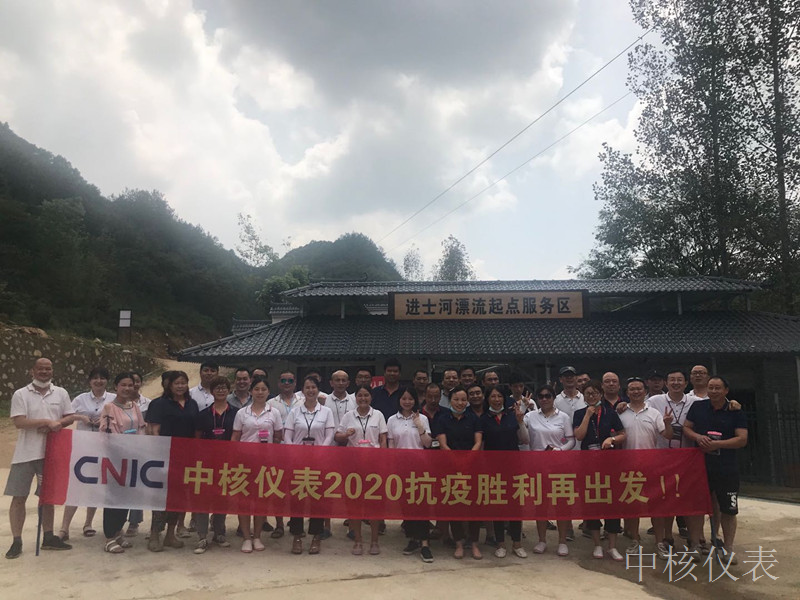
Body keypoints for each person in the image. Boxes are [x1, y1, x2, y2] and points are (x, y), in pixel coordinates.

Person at [5, 358, 78, 559]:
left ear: (52, 371)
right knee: (19, 497)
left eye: (48, 369)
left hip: (51, 454)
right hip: (25, 454)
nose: (44, 372)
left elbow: (70, 416)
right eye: (40, 369)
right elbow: (19, 422)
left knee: (47, 498)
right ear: (32, 371)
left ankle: (48, 536)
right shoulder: (21, 394)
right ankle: (17, 540)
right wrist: (46, 422)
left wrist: (58, 424)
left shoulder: (61, 393)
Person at [684, 376, 748, 564]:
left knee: (729, 509)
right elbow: (687, 428)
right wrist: (698, 437)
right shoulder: (698, 407)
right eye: (710, 387)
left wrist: (718, 444)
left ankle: (728, 548)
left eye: (717, 388)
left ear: (726, 390)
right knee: (696, 507)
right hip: (700, 466)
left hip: (726, 468)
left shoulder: (735, 411)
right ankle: (695, 545)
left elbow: (742, 439)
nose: (713, 391)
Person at [59, 366, 116, 541]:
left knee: (94, 486)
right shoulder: (80, 399)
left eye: (102, 378)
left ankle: (88, 523)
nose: (99, 381)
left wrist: (105, 419)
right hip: (82, 448)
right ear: (90, 381)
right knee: (76, 486)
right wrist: (81, 417)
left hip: (104, 448)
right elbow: (66, 416)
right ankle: (64, 528)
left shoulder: (113, 399)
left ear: (107, 381)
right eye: (95, 378)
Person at [145, 370, 200, 551]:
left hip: (186, 458)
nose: (180, 386)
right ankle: (155, 535)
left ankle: (170, 534)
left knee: (178, 497)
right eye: (177, 383)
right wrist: (159, 454)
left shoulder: (192, 404)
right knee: (160, 497)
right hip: (165, 457)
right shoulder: (159, 404)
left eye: (183, 382)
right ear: (169, 385)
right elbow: (154, 431)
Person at [573, 379, 627, 561]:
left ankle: (612, 546)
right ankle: (597, 544)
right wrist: (587, 416)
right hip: (588, 465)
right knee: (592, 504)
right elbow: (579, 436)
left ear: (601, 394)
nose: (591, 396)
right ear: (583, 396)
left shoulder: (610, 413)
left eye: (595, 393)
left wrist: (612, 440)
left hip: (609, 465)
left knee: (612, 504)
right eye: (588, 393)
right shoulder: (579, 413)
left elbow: (623, 434)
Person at [617, 377, 672, 556]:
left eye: (639, 389)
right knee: (633, 506)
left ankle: (659, 542)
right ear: (627, 393)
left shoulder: (654, 413)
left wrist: (668, 423)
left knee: (657, 506)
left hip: (651, 466)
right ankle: (635, 540)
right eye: (632, 389)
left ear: (645, 391)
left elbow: (667, 435)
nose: (636, 392)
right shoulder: (620, 413)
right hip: (628, 468)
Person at [283, 375, 335, 555]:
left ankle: (316, 536)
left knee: (317, 499)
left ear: (318, 390)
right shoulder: (295, 412)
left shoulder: (326, 412)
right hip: (297, 461)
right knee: (297, 499)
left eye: (313, 387)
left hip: (319, 461)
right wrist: (294, 452)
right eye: (307, 387)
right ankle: (297, 535)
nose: (310, 390)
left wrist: (320, 451)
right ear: (302, 390)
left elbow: (329, 435)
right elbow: (287, 435)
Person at [231, 375, 283, 553]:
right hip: (245, 463)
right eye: (257, 389)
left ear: (268, 392)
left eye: (263, 389)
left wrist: (272, 455)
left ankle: (258, 536)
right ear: (251, 391)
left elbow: (278, 436)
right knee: (244, 500)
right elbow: (236, 436)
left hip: (265, 463)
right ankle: (246, 537)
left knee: (261, 500)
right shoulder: (242, 413)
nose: (260, 392)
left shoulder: (274, 412)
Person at [335, 385, 388, 555]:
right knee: (354, 503)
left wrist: (383, 458)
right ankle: (358, 541)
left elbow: (383, 438)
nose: (363, 398)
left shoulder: (378, 415)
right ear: (355, 398)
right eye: (360, 395)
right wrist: (346, 435)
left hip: (374, 465)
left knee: (374, 504)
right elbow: (337, 436)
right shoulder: (348, 416)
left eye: (366, 395)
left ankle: (374, 541)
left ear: (371, 397)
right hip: (353, 465)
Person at [431, 387, 483, 559]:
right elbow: (443, 444)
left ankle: (474, 544)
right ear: (450, 401)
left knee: (474, 505)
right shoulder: (442, 419)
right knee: (455, 505)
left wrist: (467, 460)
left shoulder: (473, 418)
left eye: (463, 400)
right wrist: (456, 461)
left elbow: (478, 443)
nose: (460, 403)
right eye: (456, 399)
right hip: (450, 468)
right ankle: (459, 543)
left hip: (472, 467)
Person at [97, 372, 146, 554]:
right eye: (123, 385)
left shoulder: (134, 406)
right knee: (113, 497)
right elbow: (108, 434)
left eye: (130, 385)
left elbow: (141, 428)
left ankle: (118, 532)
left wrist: (139, 447)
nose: (127, 388)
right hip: (116, 458)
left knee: (126, 497)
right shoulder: (109, 408)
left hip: (133, 458)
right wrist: (124, 447)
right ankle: (109, 537)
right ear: (115, 387)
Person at [524, 384, 575, 556]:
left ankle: (562, 541)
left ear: (554, 398)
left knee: (561, 503)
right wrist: (521, 412)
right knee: (541, 503)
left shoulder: (563, 417)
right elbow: (521, 430)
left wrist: (560, 450)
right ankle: (542, 540)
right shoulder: (530, 416)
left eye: (548, 396)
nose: (544, 399)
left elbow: (571, 440)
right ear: (537, 399)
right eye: (541, 396)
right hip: (538, 465)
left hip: (559, 465)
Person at [480, 385, 528, 558]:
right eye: (493, 396)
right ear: (487, 399)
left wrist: (520, 421)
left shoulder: (512, 416)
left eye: (499, 396)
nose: (496, 399)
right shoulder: (483, 419)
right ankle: (500, 543)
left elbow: (524, 439)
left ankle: (517, 543)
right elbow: (482, 446)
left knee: (515, 505)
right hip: (493, 469)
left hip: (513, 466)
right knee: (497, 505)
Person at [387, 388, 434, 562]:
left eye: (410, 399)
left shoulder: (423, 418)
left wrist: (419, 425)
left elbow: (427, 443)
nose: (407, 402)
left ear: (415, 400)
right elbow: (391, 445)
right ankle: (413, 539)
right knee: (406, 504)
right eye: (404, 398)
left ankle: (425, 543)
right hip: (401, 466)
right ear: (399, 400)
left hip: (420, 466)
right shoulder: (392, 420)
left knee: (421, 503)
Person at [193, 375, 239, 553]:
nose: (221, 390)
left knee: (222, 498)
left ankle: (219, 533)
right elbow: (197, 439)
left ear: (229, 390)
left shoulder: (236, 413)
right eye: (217, 388)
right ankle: (202, 536)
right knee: (203, 499)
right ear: (211, 391)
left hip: (227, 462)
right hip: (206, 463)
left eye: (224, 387)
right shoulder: (203, 414)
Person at [124, 370, 151, 536]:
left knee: (136, 485)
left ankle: (134, 521)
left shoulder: (149, 404)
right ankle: (116, 522)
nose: (133, 385)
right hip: (121, 449)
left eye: (136, 381)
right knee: (120, 484)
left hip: (141, 450)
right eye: (130, 382)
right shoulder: (115, 404)